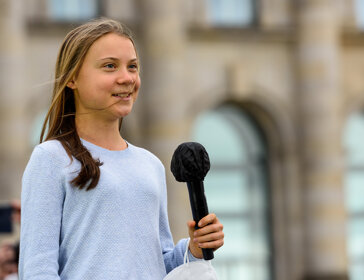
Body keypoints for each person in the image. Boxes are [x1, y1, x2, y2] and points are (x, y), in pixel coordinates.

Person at [19, 18, 224, 280]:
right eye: (109, 66)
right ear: (72, 78)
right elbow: (38, 269)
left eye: (133, 67)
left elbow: (157, 263)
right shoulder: (51, 158)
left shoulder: (150, 164)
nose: (126, 78)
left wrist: (193, 249)